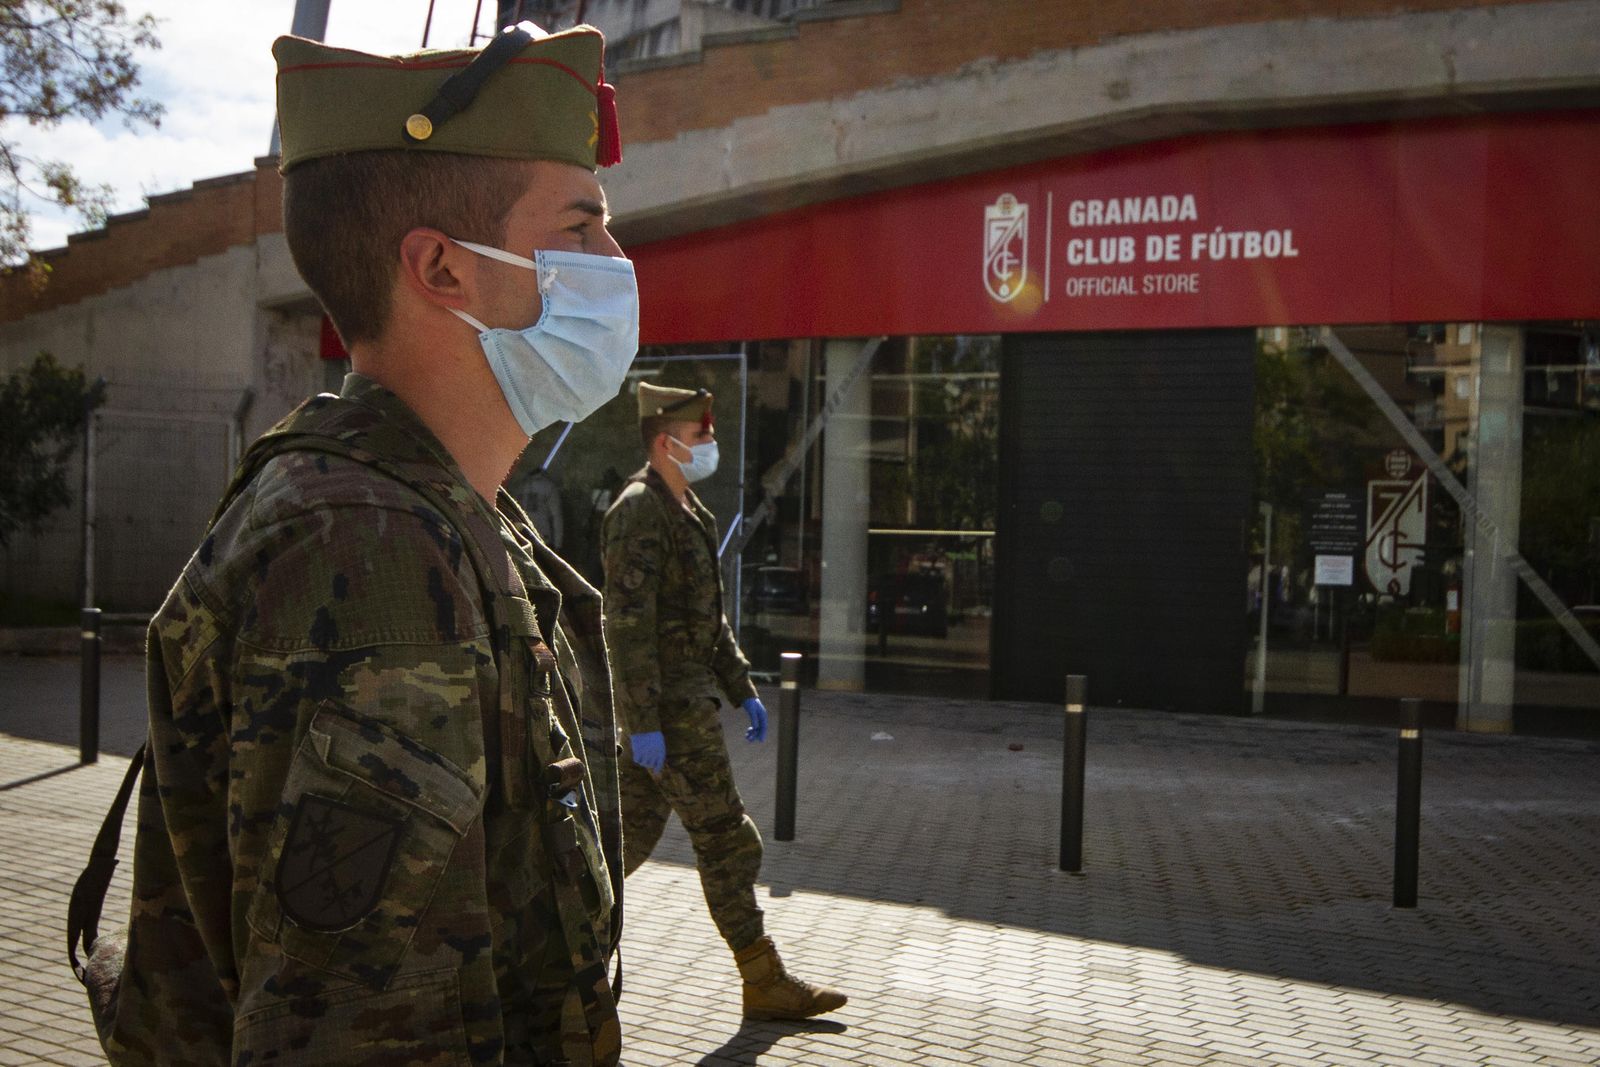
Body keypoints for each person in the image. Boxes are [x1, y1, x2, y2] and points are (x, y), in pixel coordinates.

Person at [78, 22, 634, 1065]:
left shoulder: (433, 509)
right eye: (582, 226)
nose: (617, 263)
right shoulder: (371, 552)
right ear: (442, 267)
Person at [600, 382, 847, 1020]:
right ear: (666, 443)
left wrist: (741, 687)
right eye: (700, 435)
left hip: (684, 706)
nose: (711, 443)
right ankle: (763, 979)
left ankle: (548, 952)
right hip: (671, 715)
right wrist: (643, 723)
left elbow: (708, 619)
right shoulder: (638, 511)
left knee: (617, 848)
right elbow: (625, 627)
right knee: (729, 842)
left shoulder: (691, 511)